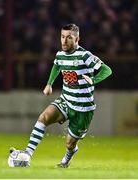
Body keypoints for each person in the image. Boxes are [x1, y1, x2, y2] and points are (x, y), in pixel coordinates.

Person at [11, 24, 112, 168]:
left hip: (83, 108)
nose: (64, 41)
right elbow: (57, 65)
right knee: (43, 117)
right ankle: (27, 153)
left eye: (69, 38)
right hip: (66, 100)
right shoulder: (60, 54)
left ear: (77, 39)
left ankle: (66, 159)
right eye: (62, 37)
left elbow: (107, 70)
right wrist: (49, 83)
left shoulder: (85, 56)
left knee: (70, 143)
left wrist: (94, 80)